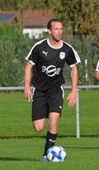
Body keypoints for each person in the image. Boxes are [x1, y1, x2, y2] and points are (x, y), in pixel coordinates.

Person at [24, 19, 81, 161]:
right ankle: (48, 151)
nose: (59, 31)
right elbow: (28, 66)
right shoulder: (39, 47)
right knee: (38, 127)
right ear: (49, 31)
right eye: (56, 29)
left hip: (56, 90)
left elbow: (74, 69)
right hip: (40, 91)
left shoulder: (67, 49)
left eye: (61, 29)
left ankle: (46, 154)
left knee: (54, 120)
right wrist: (27, 86)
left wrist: (73, 91)